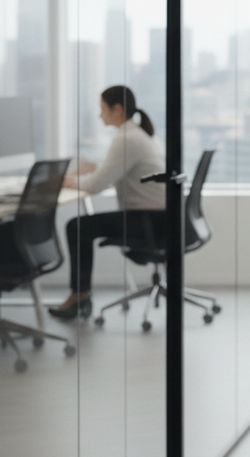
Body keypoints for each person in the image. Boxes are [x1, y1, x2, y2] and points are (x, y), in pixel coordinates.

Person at [49, 86, 166, 321]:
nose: (100, 114)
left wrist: (64, 181)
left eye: (103, 109)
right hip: (159, 218)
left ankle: (79, 296)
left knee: (77, 227)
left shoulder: (127, 139)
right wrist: (93, 171)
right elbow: (111, 173)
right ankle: (80, 295)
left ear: (117, 109)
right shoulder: (141, 134)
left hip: (148, 221)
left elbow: (95, 185)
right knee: (80, 226)